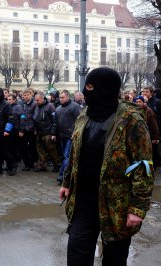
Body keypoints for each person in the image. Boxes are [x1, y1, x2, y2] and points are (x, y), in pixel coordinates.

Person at [59, 67, 154, 265]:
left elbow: (143, 167)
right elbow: (75, 154)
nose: (85, 92)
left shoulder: (131, 120)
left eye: (91, 87)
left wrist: (137, 208)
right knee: (77, 251)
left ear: (105, 89)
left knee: (114, 257)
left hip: (116, 203)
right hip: (84, 199)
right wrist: (67, 182)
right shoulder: (84, 115)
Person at [52, 90, 81, 184]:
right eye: (60, 97)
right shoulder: (58, 108)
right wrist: (53, 133)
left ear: (68, 97)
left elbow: (79, 121)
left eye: (62, 97)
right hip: (62, 136)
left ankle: (62, 176)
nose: (60, 99)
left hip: (70, 136)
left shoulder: (75, 107)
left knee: (66, 156)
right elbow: (55, 123)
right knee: (65, 156)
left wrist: (74, 132)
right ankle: (67, 174)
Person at [33, 91, 60, 172]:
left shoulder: (50, 106)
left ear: (42, 98)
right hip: (39, 132)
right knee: (40, 150)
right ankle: (42, 165)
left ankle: (56, 165)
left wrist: (53, 132)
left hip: (48, 132)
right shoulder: (37, 106)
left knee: (51, 150)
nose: (36, 102)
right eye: (35, 100)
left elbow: (55, 120)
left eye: (37, 100)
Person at [135, 95, 160, 166]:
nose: (138, 103)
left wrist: (156, 137)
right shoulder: (134, 111)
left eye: (140, 101)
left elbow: (154, 125)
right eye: (136, 102)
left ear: (143, 102)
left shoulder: (149, 111)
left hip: (149, 136)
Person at [7, 94, 26, 176]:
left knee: (15, 149)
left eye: (10, 99)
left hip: (16, 131)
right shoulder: (8, 108)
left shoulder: (18, 107)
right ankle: (10, 165)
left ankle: (14, 166)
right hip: (9, 131)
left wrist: (21, 130)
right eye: (7, 99)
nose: (8, 100)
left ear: (14, 100)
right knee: (9, 149)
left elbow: (22, 118)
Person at [20, 88, 38, 171]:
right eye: (24, 95)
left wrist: (34, 128)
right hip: (24, 129)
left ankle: (33, 163)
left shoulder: (34, 104)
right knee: (23, 147)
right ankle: (27, 164)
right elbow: (22, 117)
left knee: (32, 147)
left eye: (28, 95)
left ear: (31, 95)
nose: (26, 96)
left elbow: (36, 117)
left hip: (31, 129)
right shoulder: (22, 104)